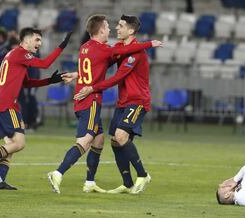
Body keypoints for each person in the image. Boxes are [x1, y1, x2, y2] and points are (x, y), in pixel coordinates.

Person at [47, 14, 161, 194]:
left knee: (115, 137)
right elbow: (99, 64)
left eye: (120, 26)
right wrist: (81, 76)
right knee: (108, 140)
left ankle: (142, 174)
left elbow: (116, 76)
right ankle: (121, 183)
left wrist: (91, 86)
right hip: (120, 101)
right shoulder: (114, 48)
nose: (115, 28)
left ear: (130, 30)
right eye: (111, 26)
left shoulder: (134, 51)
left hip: (137, 100)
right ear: (100, 30)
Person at [0, 27, 72, 190]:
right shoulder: (21, 53)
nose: (39, 44)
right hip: (7, 105)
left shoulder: (14, 56)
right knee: (19, 143)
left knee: (10, 146)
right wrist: (62, 45)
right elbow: (45, 63)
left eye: (40, 40)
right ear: (26, 40)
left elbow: (27, 83)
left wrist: (50, 81)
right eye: (37, 40)